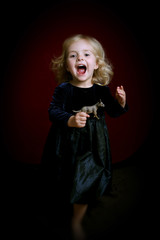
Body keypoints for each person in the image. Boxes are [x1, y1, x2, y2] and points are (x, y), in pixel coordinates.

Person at [41, 34, 128, 239]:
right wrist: (70, 120)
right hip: (66, 143)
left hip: (94, 144)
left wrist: (121, 102)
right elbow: (53, 111)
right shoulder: (64, 90)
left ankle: (76, 220)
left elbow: (114, 112)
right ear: (67, 65)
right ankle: (61, 209)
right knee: (64, 177)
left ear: (96, 64)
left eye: (86, 54)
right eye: (73, 55)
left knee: (86, 178)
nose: (80, 58)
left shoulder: (101, 91)